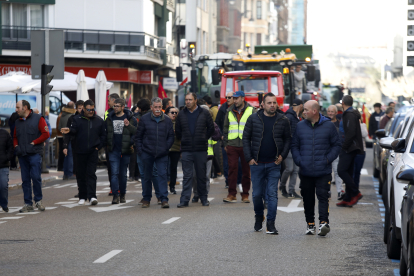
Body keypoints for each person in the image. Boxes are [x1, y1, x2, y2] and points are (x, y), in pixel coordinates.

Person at [243, 93, 291, 234]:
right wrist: (249, 158)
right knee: (257, 195)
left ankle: (271, 224)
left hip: (274, 164)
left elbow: (288, 139)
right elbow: (246, 138)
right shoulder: (253, 119)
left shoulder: (283, 119)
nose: (272, 105)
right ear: (262, 105)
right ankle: (259, 216)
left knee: (272, 194)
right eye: (269, 103)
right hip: (256, 163)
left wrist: (282, 156)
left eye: (274, 103)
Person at [291, 100, 341, 236]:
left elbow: (337, 145)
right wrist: (299, 160)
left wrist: (327, 159)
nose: (303, 112)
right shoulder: (300, 126)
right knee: (307, 198)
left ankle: (324, 223)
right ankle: (310, 224)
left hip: (323, 170)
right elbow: (294, 145)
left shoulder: (329, 126)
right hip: (305, 170)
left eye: (306, 109)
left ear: (314, 111)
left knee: (323, 197)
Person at [61, 100, 105, 206]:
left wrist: (98, 147)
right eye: (88, 109)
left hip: (92, 151)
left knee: (91, 174)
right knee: (80, 174)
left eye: (92, 109)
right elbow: (74, 130)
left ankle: (92, 196)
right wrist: (69, 131)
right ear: (84, 109)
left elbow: (103, 135)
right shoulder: (76, 119)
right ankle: (82, 196)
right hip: (79, 151)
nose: (90, 111)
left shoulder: (99, 120)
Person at [175, 92, 214, 207]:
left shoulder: (204, 113)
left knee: (201, 175)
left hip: (200, 149)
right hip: (186, 149)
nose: (188, 102)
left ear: (195, 100)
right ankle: (184, 200)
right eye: (186, 100)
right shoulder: (181, 114)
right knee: (187, 176)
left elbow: (211, 128)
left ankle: (203, 198)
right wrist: (184, 139)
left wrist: (203, 138)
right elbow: (178, 131)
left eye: (190, 100)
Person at [135, 97, 174, 208]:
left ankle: (164, 199)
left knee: (162, 175)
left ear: (162, 107)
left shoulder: (167, 120)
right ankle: (146, 199)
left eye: (159, 107)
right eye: (155, 107)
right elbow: (138, 137)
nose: (157, 109)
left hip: (162, 154)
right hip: (147, 153)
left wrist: (166, 147)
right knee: (147, 177)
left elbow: (171, 136)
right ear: (151, 107)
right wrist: (141, 152)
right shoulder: (144, 119)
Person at [13, 100, 50, 212]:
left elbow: (46, 134)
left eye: (18, 107)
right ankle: (28, 203)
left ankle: (38, 201)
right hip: (22, 154)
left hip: (34, 153)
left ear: (25, 108)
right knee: (25, 180)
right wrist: (16, 146)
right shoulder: (18, 121)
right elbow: (14, 136)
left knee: (36, 177)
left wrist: (34, 142)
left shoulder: (39, 119)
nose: (16, 109)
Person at [223, 90, 256, 203]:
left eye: (237, 98)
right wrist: (226, 143)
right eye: (234, 98)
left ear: (243, 98)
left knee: (246, 171)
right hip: (232, 144)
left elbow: (255, 128)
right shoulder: (229, 110)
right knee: (232, 169)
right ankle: (232, 194)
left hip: (246, 145)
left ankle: (245, 194)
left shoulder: (251, 110)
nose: (235, 100)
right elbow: (225, 128)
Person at [104, 98, 137, 204]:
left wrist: (129, 127)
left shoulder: (131, 118)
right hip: (113, 150)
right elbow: (106, 133)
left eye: (117, 106)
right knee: (114, 173)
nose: (115, 108)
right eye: (114, 106)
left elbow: (136, 133)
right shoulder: (109, 118)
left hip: (126, 150)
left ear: (123, 107)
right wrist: (107, 144)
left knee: (123, 174)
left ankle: (122, 194)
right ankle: (115, 195)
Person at [336, 95, 364, 207]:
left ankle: (356, 193)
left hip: (348, 147)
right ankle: (347, 198)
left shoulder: (349, 114)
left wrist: (344, 147)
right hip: (351, 147)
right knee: (348, 172)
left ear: (343, 103)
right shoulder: (351, 113)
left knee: (341, 171)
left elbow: (351, 133)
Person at [192, 106, 221, 202]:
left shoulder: (212, 124)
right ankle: (196, 194)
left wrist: (211, 126)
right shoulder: (193, 123)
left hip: (208, 155)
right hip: (195, 154)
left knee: (206, 177)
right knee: (195, 176)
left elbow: (217, 136)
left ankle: (204, 195)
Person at [134, 98, 162, 204]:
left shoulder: (146, 118)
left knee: (149, 173)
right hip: (143, 150)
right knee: (146, 174)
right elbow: (138, 135)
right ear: (150, 107)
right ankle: (148, 196)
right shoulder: (137, 118)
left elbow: (136, 134)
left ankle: (156, 196)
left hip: (150, 150)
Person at [215, 91, 242, 189]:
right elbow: (217, 123)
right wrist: (221, 135)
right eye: (227, 97)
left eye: (230, 97)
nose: (228, 99)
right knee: (226, 163)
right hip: (226, 141)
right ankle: (228, 181)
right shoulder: (222, 109)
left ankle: (239, 181)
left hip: (238, 141)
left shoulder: (238, 108)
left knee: (238, 163)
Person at [279, 98, 303, 199]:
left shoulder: (297, 117)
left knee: (296, 169)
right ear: (300, 106)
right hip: (288, 147)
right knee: (289, 168)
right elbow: (283, 132)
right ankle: (282, 186)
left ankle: (292, 190)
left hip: (295, 147)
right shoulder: (289, 116)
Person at [64, 100, 84, 198]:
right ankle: (81, 190)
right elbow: (67, 133)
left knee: (87, 170)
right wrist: (65, 146)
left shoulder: (88, 118)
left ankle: (88, 190)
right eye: (79, 108)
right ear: (76, 108)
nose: (81, 110)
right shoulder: (72, 118)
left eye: (82, 108)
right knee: (78, 170)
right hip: (75, 145)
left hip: (85, 146)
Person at [326, 105, 344, 200]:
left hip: (336, 152)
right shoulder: (323, 123)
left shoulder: (339, 124)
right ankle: (327, 190)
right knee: (326, 173)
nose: (330, 113)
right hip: (325, 152)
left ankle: (340, 191)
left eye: (332, 111)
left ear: (336, 113)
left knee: (337, 172)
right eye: (329, 111)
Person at [105, 93, 120, 196]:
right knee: (111, 168)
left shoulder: (124, 113)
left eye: (109, 100)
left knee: (120, 169)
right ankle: (113, 188)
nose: (108, 102)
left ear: (114, 101)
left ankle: (119, 188)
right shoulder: (107, 112)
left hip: (120, 144)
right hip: (110, 144)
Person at [59, 101, 76, 180]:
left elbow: (59, 127)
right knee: (70, 156)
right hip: (70, 137)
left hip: (63, 137)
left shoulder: (62, 115)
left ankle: (65, 173)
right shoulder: (72, 116)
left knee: (66, 155)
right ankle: (69, 173)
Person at [166, 106, 181, 194]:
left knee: (173, 168)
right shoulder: (164, 122)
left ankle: (172, 186)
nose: (174, 114)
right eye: (172, 112)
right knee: (163, 168)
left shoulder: (179, 123)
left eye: (176, 112)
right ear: (168, 113)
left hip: (175, 148)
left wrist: (177, 132)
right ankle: (163, 186)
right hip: (165, 148)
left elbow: (182, 135)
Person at [0, 118, 13, 212]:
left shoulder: (5, 133)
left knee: (3, 186)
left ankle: (4, 204)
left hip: (3, 165)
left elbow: (10, 148)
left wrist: (7, 158)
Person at [353, 120, 368, 190]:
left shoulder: (362, 125)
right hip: (352, 151)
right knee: (352, 172)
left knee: (357, 172)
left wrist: (359, 125)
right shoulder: (350, 125)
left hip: (361, 151)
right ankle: (351, 190)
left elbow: (365, 134)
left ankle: (356, 190)